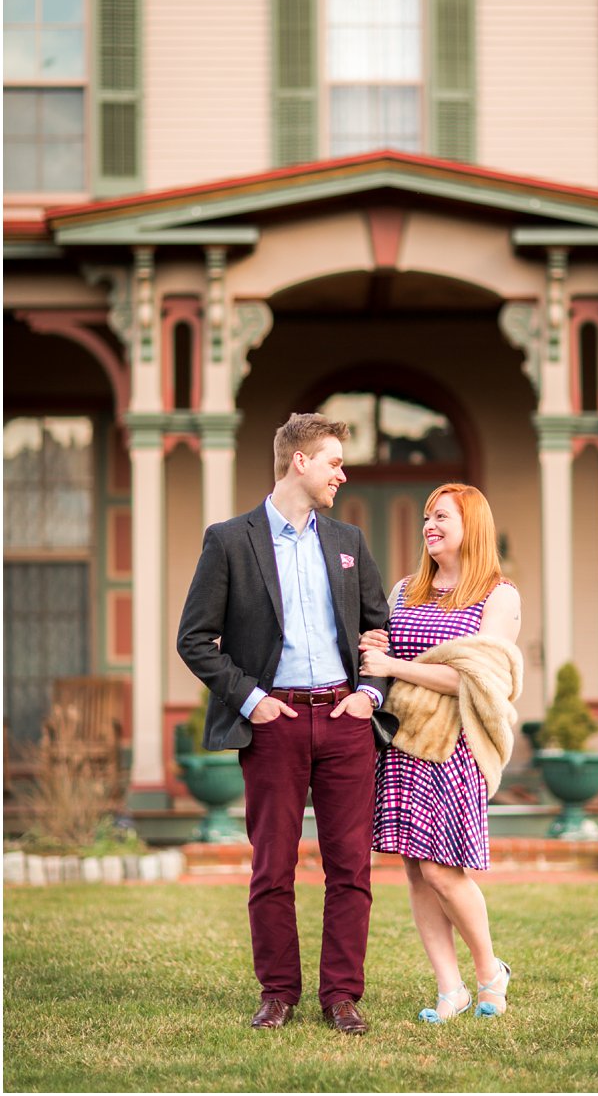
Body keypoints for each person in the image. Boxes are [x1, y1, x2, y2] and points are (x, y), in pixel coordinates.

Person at [176, 413, 390, 1035]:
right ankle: (278, 993)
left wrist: (369, 695)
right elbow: (195, 639)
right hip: (275, 723)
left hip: (346, 721)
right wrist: (252, 700)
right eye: (333, 463)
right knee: (273, 865)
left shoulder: (349, 541)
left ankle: (342, 996)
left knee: (350, 867)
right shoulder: (229, 540)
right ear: (300, 462)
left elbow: (378, 630)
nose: (342, 475)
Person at [360, 482, 523, 1022]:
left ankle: (488, 972)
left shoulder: (499, 596)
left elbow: (479, 679)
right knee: (414, 868)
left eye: (442, 517)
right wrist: (374, 649)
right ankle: (449, 988)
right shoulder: (406, 590)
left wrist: (395, 667)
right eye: (427, 517)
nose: (429, 526)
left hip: (455, 747)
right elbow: (380, 649)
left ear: (470, 525)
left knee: (442, 870)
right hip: (401, 745)